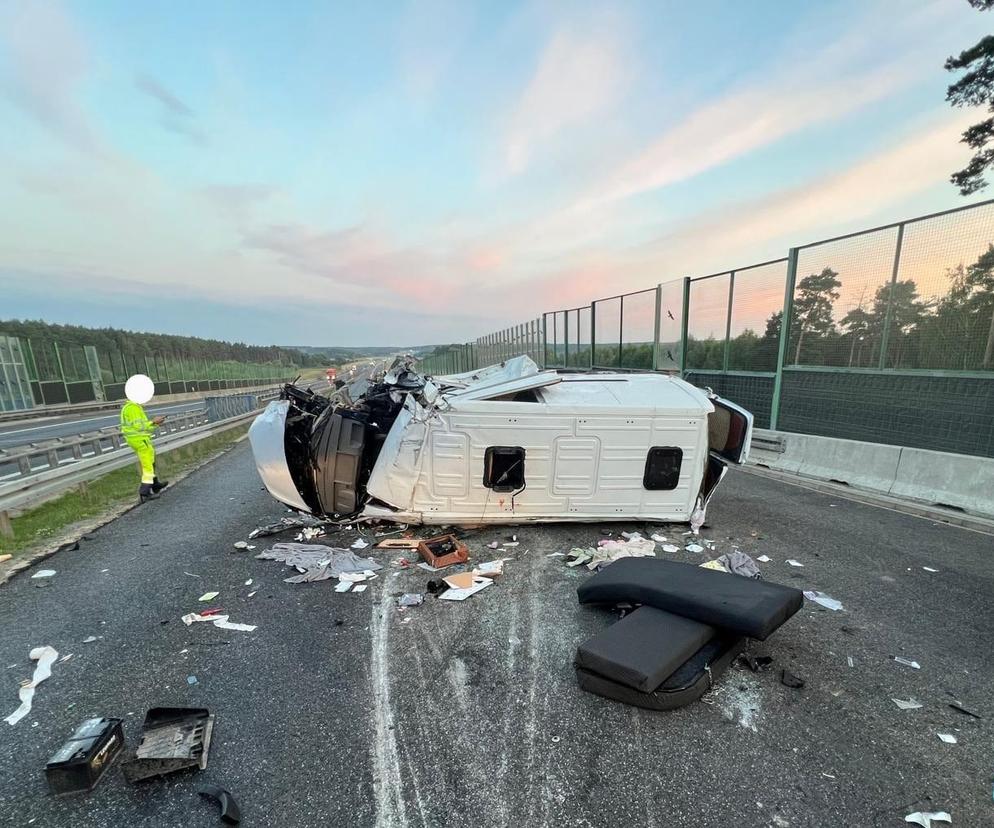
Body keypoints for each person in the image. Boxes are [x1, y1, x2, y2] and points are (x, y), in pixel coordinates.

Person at [121, 374, 169, 503]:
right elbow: (139, 426)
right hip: (140, 440)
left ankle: (155, 485)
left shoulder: (131, 407)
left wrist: (155, 424)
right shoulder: (132, 408)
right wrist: (152, 422)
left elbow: (142, 427)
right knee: (147, 466)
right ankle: (145, 492)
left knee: (150, 460)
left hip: (139, 439)